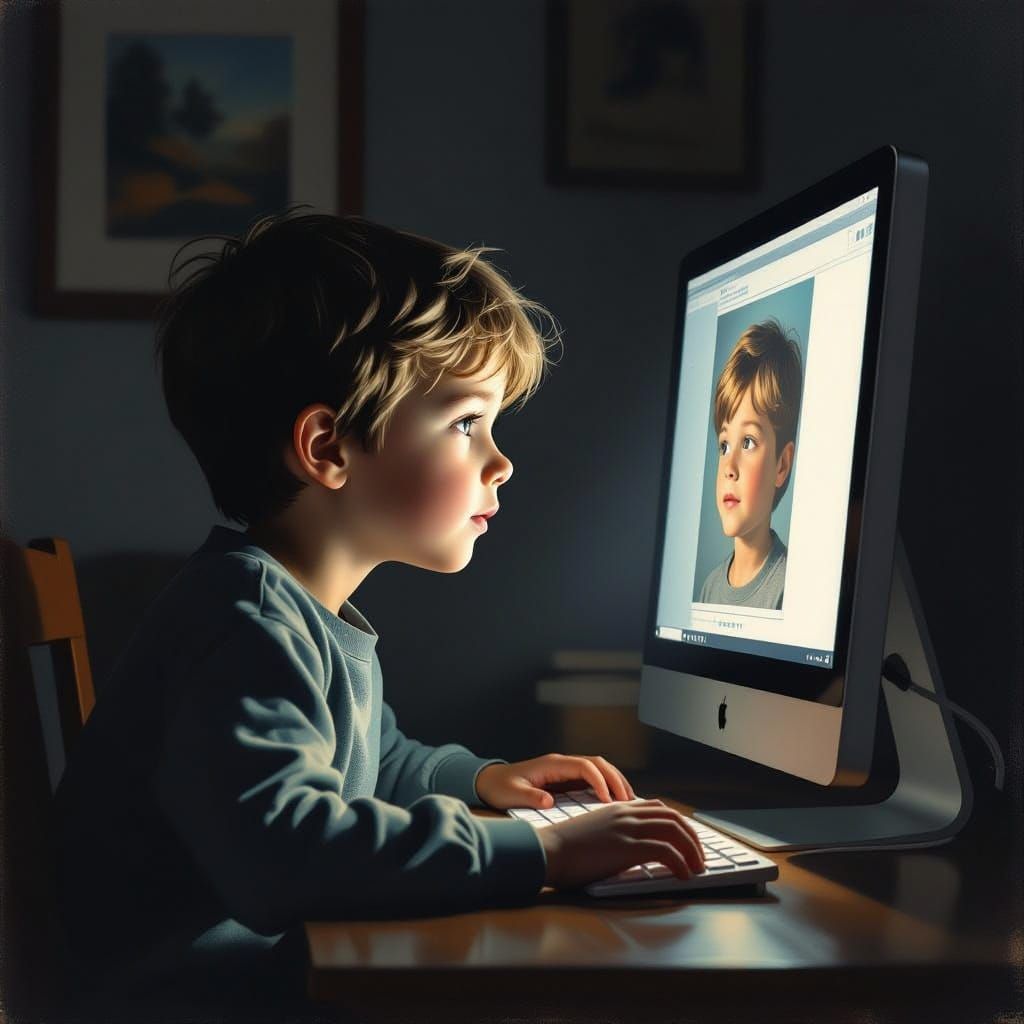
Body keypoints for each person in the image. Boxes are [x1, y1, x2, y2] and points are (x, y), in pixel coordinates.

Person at [53, 209, 706, 1022]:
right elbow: (287, 852)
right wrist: (540, 850)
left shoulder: (295, 610)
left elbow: (374, 758)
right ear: (327, 449)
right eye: (467, 424)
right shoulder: (245, 627)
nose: (500, 462)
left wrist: (480, 780)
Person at [698, 318, 803, 610]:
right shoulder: (710, 587)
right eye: (724, 445)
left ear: (781, 465)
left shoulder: (789, 590)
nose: (729, 466)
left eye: (748, 443)